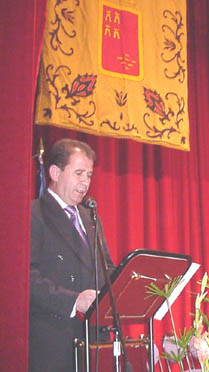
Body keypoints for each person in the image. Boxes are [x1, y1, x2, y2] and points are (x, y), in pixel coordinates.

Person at [29, 138, 115, 372]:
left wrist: (137, 281)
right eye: (78, 173)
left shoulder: (90, 217)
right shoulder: (33, 214)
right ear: (55, 172)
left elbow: (107, 268)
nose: (85, 182)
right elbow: (24, 278)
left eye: (88, 175)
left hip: (93, 341)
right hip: (53, 343)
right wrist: (73, 300)